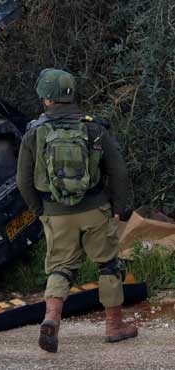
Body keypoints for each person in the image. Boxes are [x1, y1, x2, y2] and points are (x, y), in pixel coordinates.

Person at [16, 68, 138, 353]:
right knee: (108, 265)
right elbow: (118, 172)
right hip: (95, 209)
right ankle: (114, 326)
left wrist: (39, 210)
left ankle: (51, 318)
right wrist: (118, 207)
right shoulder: (94, 128)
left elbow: (22, 180)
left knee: (60, 268)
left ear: (47, 99)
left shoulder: (34, 132)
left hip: (55, 213)